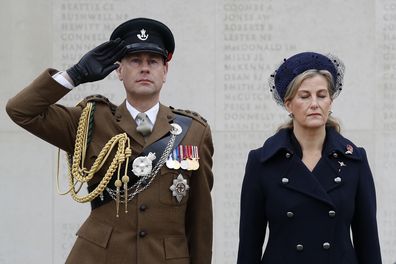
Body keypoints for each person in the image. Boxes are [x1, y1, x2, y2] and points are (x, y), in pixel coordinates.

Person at [6, 17, 214, 264]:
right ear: (119, 70)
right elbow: (20, 110)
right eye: (135, 61)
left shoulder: (193, 132)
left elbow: (200, 219)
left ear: (165, 71)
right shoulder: (89, 120)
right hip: (99, 257)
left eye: (153, 61)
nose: (144, 68)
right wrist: (75, 75)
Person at [237, 52, 382, 264]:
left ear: (330, 101)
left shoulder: (354, 160)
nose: (314, 104)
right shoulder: (262, 162)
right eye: (304, 96)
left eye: (321, 95)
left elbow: (368, 242)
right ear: (288, 104)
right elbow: (249, 245)